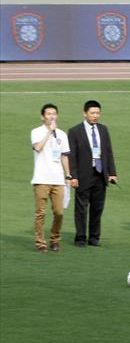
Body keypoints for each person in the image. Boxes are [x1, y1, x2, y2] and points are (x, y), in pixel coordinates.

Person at [68, 100, 117, 247]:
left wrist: (112, 172)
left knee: (97, 208)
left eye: (97, 113)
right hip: (83, 175)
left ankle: (94, 237)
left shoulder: (103, 129)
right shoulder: (75, 131)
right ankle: (81, 237)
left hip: (100, 175)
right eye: (92, 113)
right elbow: (72, 156)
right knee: (81, 208)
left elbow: (108, 152)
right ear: (85, 113)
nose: (95, 116)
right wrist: (73, 176)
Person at [31, 103, 71, 253]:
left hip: (58, 179)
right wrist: (49, 133)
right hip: (41, 178)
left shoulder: (62, 134)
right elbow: (38, 147)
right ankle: (40, 243)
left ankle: (55, 239)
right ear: (42, 117)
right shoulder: (36, 132)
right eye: (48, 114)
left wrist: (68, 174)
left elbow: (64, 156)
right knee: (40, 212)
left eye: (54, 113)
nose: (51, 116)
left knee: (59, 212)